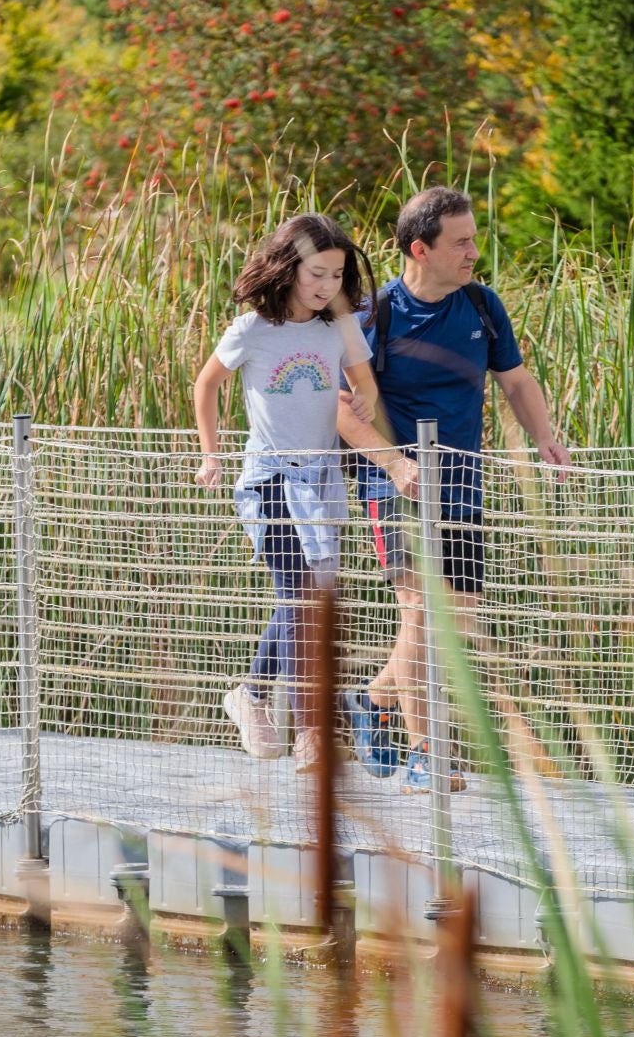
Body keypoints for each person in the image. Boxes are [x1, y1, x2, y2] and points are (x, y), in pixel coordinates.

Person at [335, 186, 570, 793]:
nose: (473, 251)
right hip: (397, 487)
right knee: (421, 614)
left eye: (472, 239)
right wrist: (391, 465)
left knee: (454, 621)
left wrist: (544, 435)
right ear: (421, 248)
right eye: (461, 242)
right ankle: (424, 754)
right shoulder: (374, 314)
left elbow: (516, 381)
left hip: (464, 485)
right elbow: (342, 408)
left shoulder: (482, 306)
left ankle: (372, 696)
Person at [193, 213, 417, 767]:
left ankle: (251, 692)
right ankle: (307, 731)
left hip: (320, 481)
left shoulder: (337, 328)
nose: (326, 286)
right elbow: (207, 385)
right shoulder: (252, 330)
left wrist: (361, 399)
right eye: (317, 273)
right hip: (268, 478)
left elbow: (362, 379)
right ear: (290, 269)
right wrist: (211, 452)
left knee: (310, 599)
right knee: (300, 595)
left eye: (337, 276)